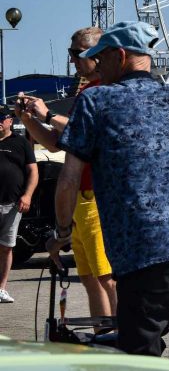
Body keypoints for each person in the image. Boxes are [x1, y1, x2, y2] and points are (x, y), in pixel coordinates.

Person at [45, 21, 169, 371]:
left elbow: (68, 180)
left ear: (121, 56)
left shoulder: (97, 101)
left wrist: (62, 234)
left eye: (101, 59)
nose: (97, 66)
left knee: (142, 367)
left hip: (145, 254)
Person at [16, 27, 116, 319]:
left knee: (106, 277)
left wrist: (46, 114)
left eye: (76, 53)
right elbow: (56, 143)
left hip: (96, 197)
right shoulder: (86, 91)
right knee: (88, 276)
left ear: (96, 54)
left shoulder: (105, 92)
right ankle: (104, 335)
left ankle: (123, 340)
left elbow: (81, 131)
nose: (72, 60)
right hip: (80, 202)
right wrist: (29, 119)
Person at [0, 108, 38, 303]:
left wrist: (28, 195)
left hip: (12, 204)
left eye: (1, 118)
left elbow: (33, 171)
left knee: (6, 247)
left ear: (10, 121)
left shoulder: (21, 143)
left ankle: (1, 288)